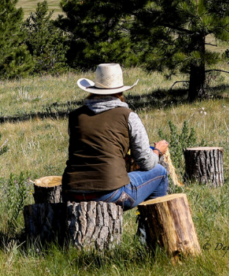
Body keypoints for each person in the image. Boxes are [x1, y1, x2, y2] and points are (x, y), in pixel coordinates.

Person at [62, 63, 169, 209]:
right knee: (160, 173)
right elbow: (146, 162)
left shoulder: (75, 116)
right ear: (120, 91)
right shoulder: (128, 116)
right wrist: (157, 151)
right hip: (110, 194)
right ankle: (149, 230)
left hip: (71, 193)